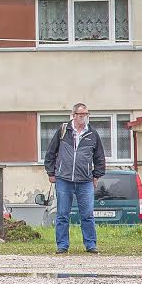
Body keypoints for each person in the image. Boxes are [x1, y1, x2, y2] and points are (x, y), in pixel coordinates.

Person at [44, 102, 106, 255]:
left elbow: (99, 157)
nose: (84, 117)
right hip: (63, 179)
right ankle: (62, 245)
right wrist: (51, 173)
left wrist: (96, 175)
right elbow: (51, 153)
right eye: (81, 115)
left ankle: (90, 244)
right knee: (62, 214)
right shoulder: (63, 131)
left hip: (85, 181)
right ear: (74, 115)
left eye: (86, 114)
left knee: (87, 215)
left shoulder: (92, 134)